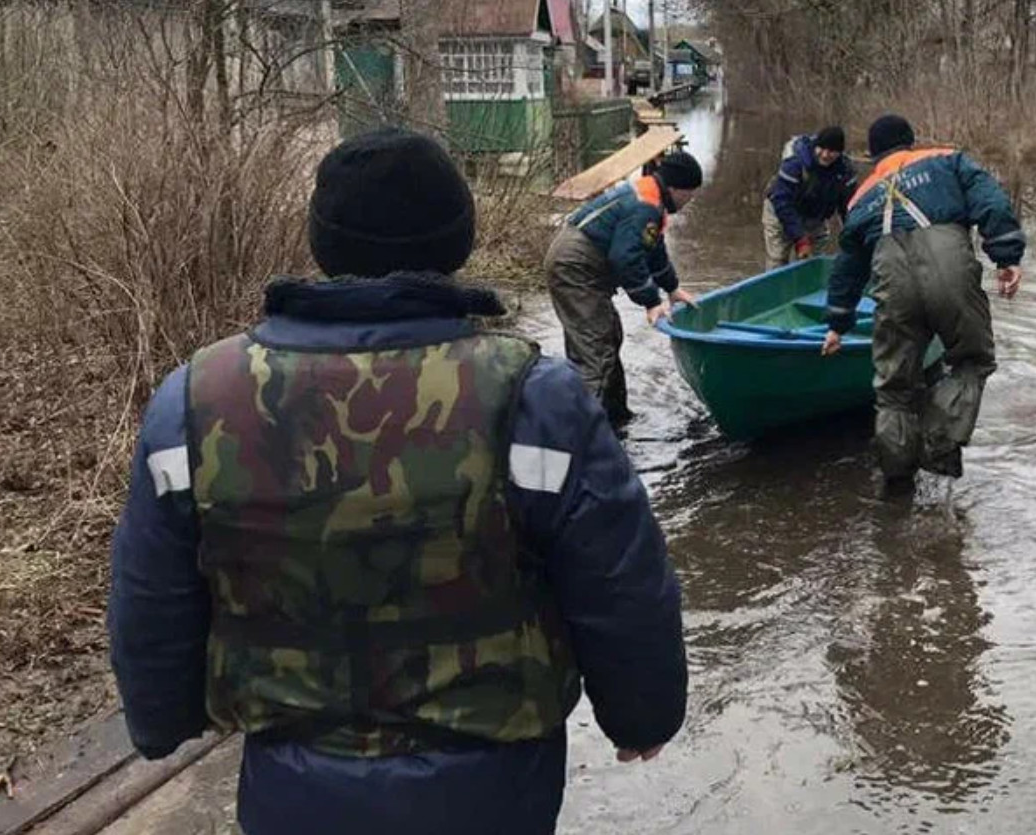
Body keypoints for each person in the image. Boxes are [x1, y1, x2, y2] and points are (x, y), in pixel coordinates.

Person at [107, 127, 687, 835]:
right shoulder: (536, 399)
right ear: (457, 243)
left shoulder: (193, 400)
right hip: (492, 785)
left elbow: (151, 590)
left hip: (291, 784)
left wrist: (160, 719)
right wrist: (642, 713)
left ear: (322, 243)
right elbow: (619, 577)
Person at [820, 114, 1026, 489]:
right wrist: (1007, 256)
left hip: (890, 278)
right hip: (948, 264)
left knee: (893, 388)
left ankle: (897, 480)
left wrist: (837, 323)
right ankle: (938, 440)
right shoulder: (948, 159)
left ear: (873, 153)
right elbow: (991, 202)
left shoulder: (861, 194)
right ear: (910, 141)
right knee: (972, 361)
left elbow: (847, 268)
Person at [544, 151, 702, 425]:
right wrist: (651, 301)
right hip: (575, 267)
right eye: (689, 194)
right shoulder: (646, 205)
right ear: (675, 188)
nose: (689, 201)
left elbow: (652, 248)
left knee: (609, 336)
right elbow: (625, 257)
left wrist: (672, 288)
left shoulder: (651, 195)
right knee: (595, 352)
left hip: (579, 263)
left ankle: (616, 419)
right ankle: (582, 435)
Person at [762, 126, 858, 270]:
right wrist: (800, 239)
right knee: (778, 259)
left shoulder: (845, 173)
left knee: (810, 264)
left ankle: (800, 289)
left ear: (840, 153)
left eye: (832, 151)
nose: (825, 155)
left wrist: (855, 240)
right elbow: (783, 204)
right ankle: (774, 289)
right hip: (780, 212)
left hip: (815, 217)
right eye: (822, 149)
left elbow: (848, 209)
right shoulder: (794, 164)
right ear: (815, 146)